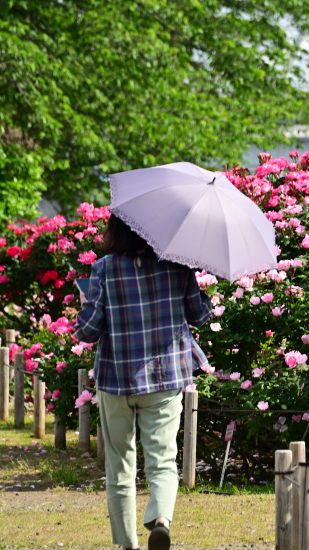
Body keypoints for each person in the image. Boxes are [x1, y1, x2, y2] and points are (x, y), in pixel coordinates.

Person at [75, 215, 212, 550]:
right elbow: (199, 315)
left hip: (116, 377)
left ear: (116, 231)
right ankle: (161, 520)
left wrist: (84, 307)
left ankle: (127, 544)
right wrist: (198, 291)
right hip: (166, 377)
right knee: (163, 460)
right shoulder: (177, 266)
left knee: (120, 463)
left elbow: (87, 332)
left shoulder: (104, 269)